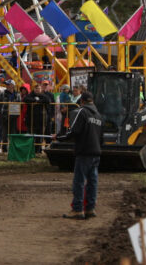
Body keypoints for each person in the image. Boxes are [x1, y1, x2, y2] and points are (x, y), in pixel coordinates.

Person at [54, 89, 103, 219]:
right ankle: (90, 208)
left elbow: (74, 131)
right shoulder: (98, 115)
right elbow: (101, 137)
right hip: (96, 152)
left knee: (79, 181)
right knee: (93, 181)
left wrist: (59, 137)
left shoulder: (82, 112)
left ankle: (77, 209)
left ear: (81, 101)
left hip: (84, 151)